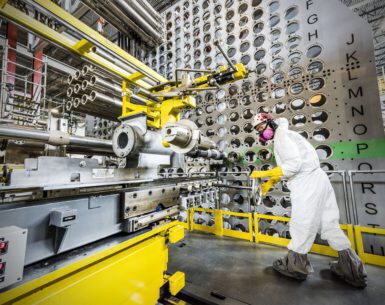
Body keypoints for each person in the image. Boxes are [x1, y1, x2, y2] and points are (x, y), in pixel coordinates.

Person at [250, 113, 367, 288]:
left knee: (301, 224)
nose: (262, 133)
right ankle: (351, 268)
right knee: (329, 223)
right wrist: (271, 182)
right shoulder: (288, 134)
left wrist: (264, 174)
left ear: (271, 123)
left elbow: (293, 166)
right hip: (320, 180)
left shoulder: (282, 137)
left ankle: (295, 267)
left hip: (306, 184)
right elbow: (295, 163)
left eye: (261, 128)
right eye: (258, 130)